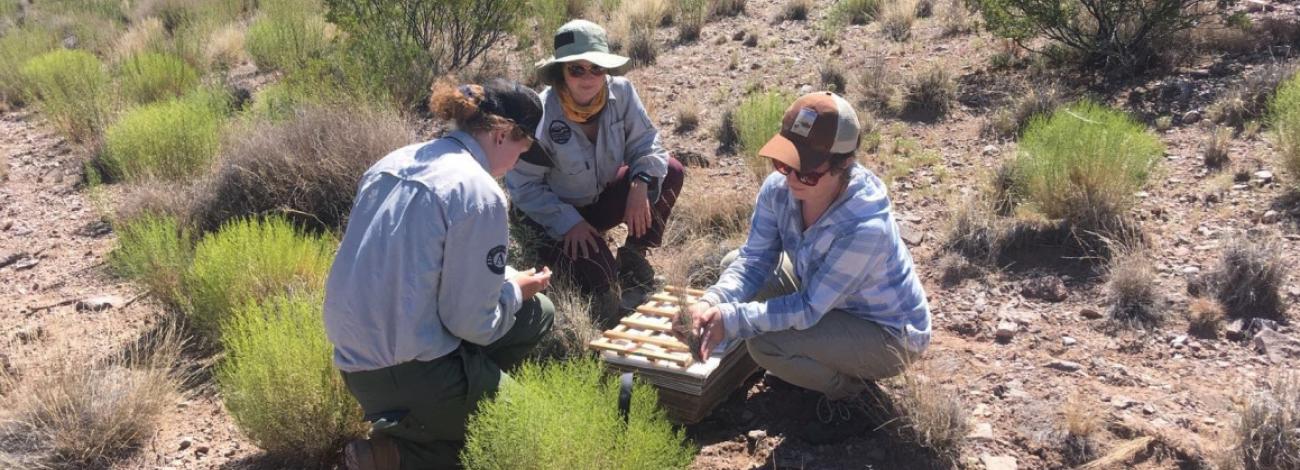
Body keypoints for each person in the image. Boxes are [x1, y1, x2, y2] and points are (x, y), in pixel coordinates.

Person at [324, 79, 554, 470]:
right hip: (411, 374)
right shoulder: (479, 192)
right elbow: (473, 323)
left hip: (357, 367)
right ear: (502, 134)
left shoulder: (393, 162)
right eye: (525, 147)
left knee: (540, 312)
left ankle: (450, 416)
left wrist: (513, 289)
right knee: (534, 439)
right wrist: (512, 292)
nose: (520, 160)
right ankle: (403, 452)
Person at [688, 91, 932, 428]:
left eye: (806, 172)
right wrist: (711, 301)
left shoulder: (864, 227)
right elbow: (754, 260)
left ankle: (853, 395)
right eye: (785, 162)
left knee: (765, 344)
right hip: (827, 296)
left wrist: (731, 320)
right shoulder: (779, 190)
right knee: (731, 264)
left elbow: (807, 309)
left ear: (843, 163)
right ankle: (808, 359)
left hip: (885, 332)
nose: (790, 177)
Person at [506, 19, 685, 326]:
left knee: (669, 171)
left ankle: (633, 257)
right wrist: (568, 222)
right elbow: (523, 187)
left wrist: (640, 183)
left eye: (596, 68)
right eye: (577, 69)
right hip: (551, 216)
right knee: (603, 278)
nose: (587, 78)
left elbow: (647, 143)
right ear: (561, 72)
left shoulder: (623, 93)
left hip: (596, 200)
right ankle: (586, 271)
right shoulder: (540, 113)